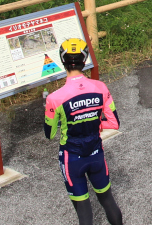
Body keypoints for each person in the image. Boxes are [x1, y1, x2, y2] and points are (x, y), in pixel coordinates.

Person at [44, 38, 123, 225]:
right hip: (96, 154)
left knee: (84, 213)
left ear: (63, 62)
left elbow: (49, 134)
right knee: (108, 200)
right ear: (85, 58)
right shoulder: (100, 87)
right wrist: (96, 123)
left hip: (71, 158)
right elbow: (114, 122)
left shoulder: (55, 98)